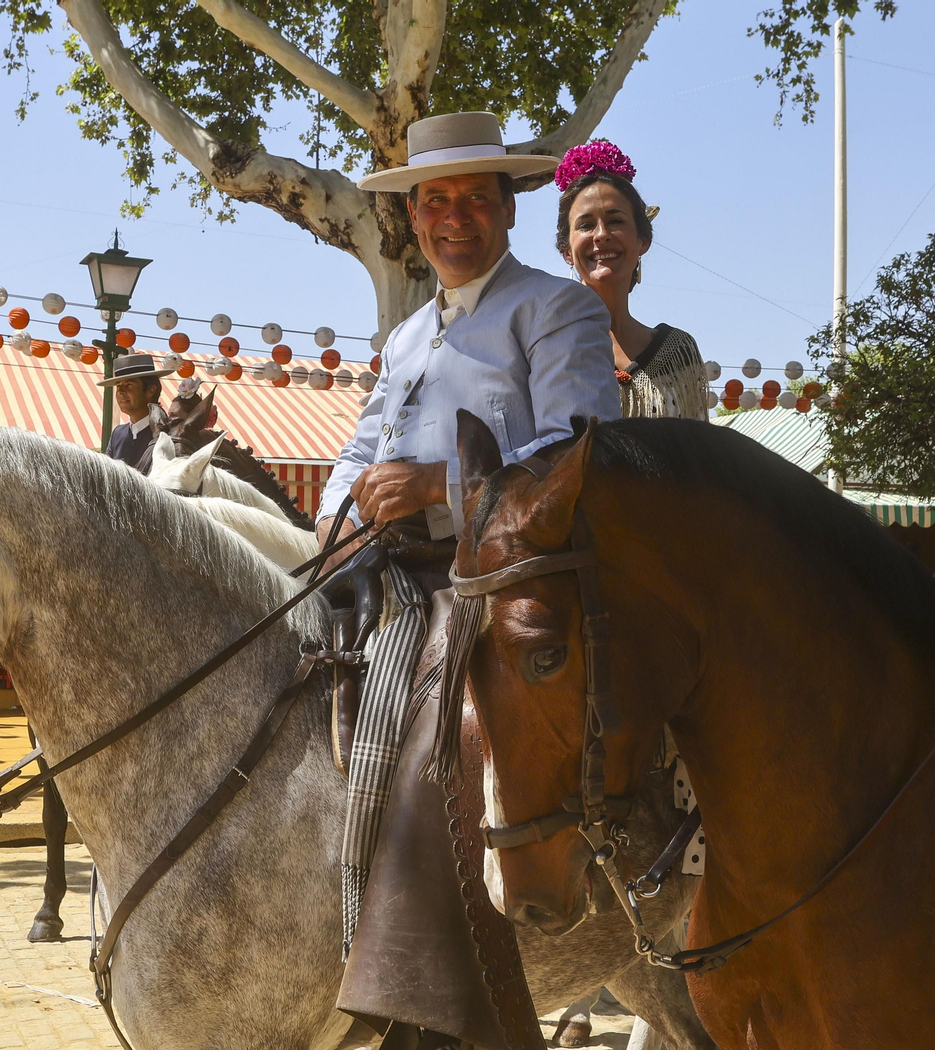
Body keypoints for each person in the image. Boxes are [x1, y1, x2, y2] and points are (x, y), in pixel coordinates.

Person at [319, 110, 618, 1050]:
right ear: (413, 218)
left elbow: (577, 452)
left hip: (494, 578)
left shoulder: (557, 309)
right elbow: (359, 449)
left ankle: (433, 988)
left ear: (509, 209)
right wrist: (331, 523)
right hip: (385, 566)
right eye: (435, 200)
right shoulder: (408, 335)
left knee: (434, 736)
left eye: (475, 199)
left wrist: (438, 488)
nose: (454, 217)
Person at [553, 140, 708, 420]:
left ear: (643, 241)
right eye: (586, 225)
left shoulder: (679, 352)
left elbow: (697, 446)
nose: (601, 235)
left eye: (615, 221)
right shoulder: (545, 347)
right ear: (567, 252)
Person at [100, 353, 173, 469]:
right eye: (118, 386)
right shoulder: (117, 434)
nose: (121, 392)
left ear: (150, 390)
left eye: (129, 385)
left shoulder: (168, 433)